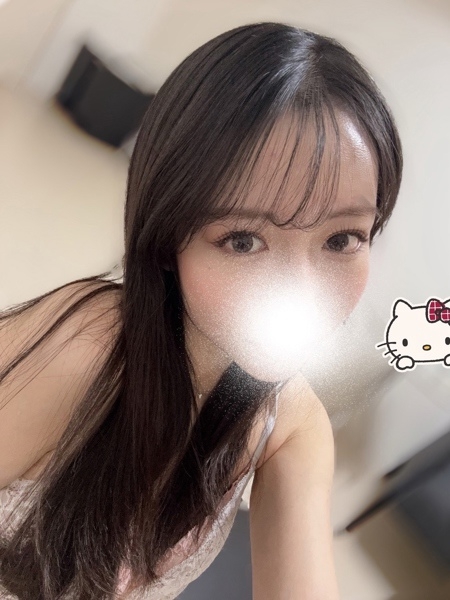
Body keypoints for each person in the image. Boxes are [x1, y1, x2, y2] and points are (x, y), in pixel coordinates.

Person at [0, 21, 402, 600]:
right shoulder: (87, 354)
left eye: (342, 239)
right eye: (243, 240)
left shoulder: (290, 424)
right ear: (169, 237)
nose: (303, 289)